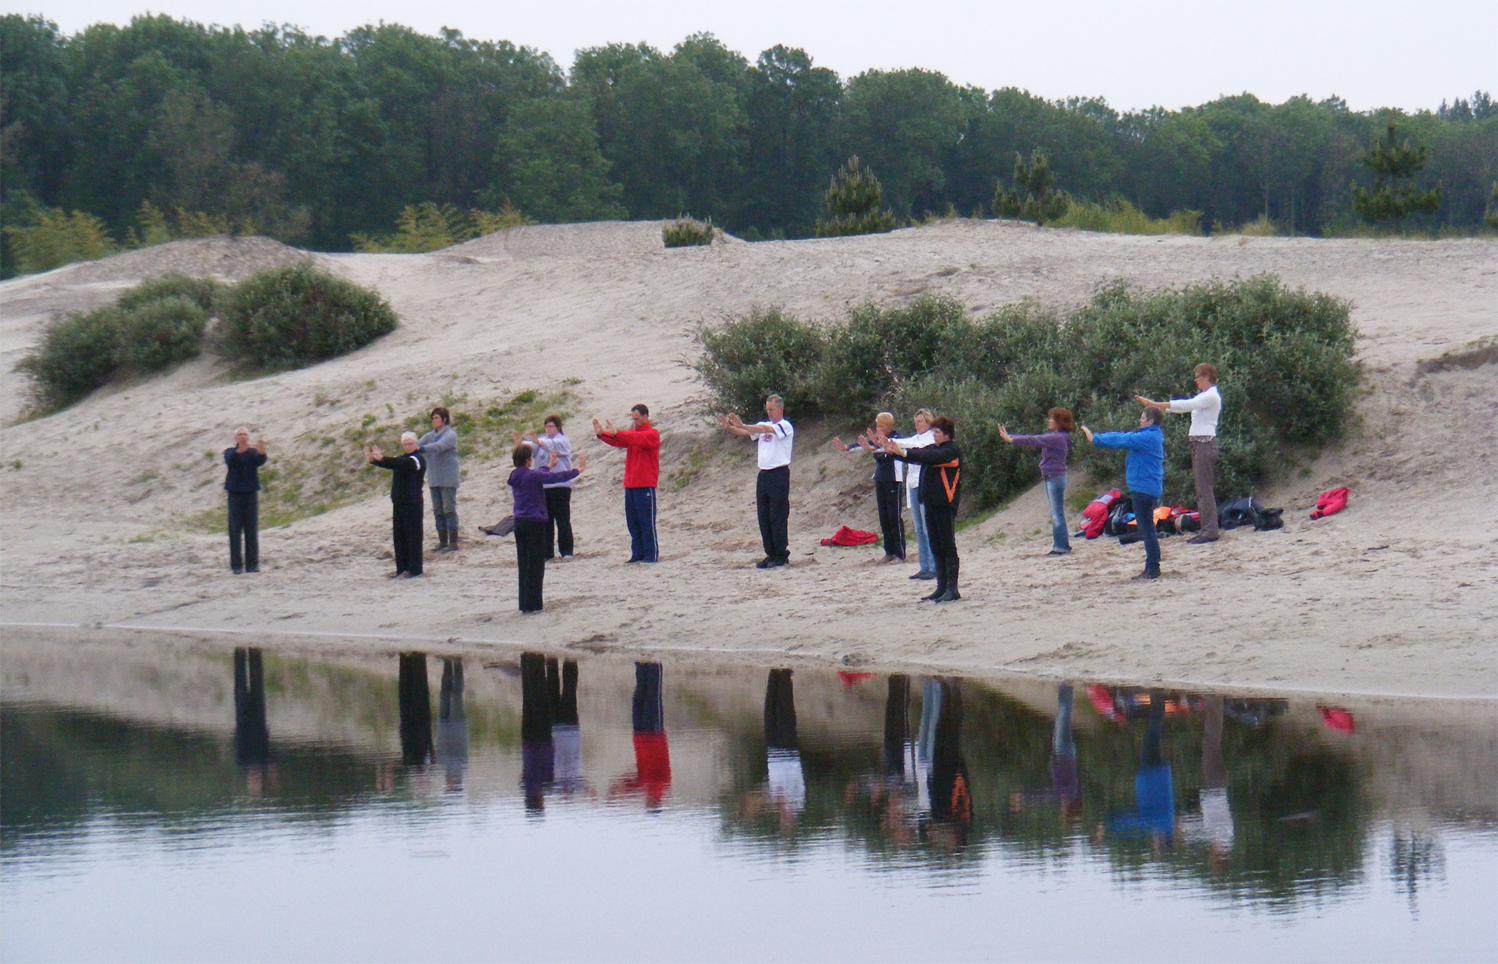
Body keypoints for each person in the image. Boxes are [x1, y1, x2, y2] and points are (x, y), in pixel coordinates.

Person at [1137, 363, 1223, 544]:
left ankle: (1210, 531)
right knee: (1201, 489)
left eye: (1198, 376)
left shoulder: (1211, 396)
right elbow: (1184, 407)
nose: (1195, 380)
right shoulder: (1205, 396)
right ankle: (1207, 529)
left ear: (1207, 377)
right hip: (1199, 444)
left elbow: (1186, 405)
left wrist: (1155, 405)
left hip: (1204, 444)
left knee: (1204, 489)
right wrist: (1159, 407)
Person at [881, 415, 962, 601]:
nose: (934, 435)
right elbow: (918, 454)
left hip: (945, 503)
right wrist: (895, 451)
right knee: (935, 545)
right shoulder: (934, 448)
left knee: (947, 545)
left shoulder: (951, 451)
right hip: (930, 503)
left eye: (937, 432)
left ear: (947, 434)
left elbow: (930, 457)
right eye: (933, 432)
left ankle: (952, 588)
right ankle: (941, 587)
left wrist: (903, 453)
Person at [1082, 408, 1165, 580]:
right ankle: (1152, 564)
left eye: (1142, 418)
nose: (1139, 421)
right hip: (1147, 488)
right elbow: (1123, 436)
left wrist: (1095, 439)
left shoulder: (1146, 438)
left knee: (1147, 530)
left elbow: (1121, 439)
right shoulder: (1151, 436)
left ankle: (1152, 568)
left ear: (1150, 421)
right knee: (1147, 528)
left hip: (1144, 489)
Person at [507, 442, 585, 613]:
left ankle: (524, 604)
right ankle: (534, 604)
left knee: (524, 562)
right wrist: (578, 470)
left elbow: (540, 473)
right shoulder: (532, 476)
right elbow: (556, 478)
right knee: (535, 564)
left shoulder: (515, 475)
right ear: (528, 460)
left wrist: (549, 465)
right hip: (534, 522)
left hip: (519, 522)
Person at [719, 394, 795, 569]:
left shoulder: (785, 426)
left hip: (779, 473)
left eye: (771, 409)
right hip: (764, 474)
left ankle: (781, 554)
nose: (769, 413)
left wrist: (744, 424)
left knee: (778, 515)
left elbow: (764, 430)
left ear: (780, 409)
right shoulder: (765, 425)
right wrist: (730, 428)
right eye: (767, 409)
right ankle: (770, 553)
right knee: (764, 516)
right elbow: (747, 432)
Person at [997, 408, 1075, 556]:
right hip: (1054, 477)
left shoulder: (1057, 438)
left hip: (1054, 477)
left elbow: (1034, 439)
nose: (1049, 421)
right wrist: (1010, 437)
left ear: (1059, 422)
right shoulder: (1062, 437)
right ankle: (1061, 545)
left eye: (1052, 419)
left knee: (1056, 514)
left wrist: (1011, 439)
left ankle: (1061, 547)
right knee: (1057, 513)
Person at [832, 411, 905, 562]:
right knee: (884, 517)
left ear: (890, 426)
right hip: (880, 479)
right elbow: (863, 446)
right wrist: (846, 448)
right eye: (878, 426)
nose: (880, 429)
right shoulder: (876, 440)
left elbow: (885, 450)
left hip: (894, 480)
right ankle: (889, 551)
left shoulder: (896, 439)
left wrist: (873, 447)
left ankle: (900, 552)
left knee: (894, 517)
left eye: (883, 426)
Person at [594, 405, 660, 563]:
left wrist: (616, 433)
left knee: (646, 522)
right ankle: (637, 554)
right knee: (633, 523)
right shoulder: (633, 434)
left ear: (645, 417)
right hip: (630, 484)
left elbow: (635, 439)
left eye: (637, 419)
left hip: (645, 484)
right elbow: (620, 441)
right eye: (633, 419)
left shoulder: (652, 434)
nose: (635, 422)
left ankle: (651, 555)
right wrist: (601, 434)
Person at [514, 415, 575, 560]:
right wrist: (521, 444)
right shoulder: (542, 442)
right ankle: (548, 552)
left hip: (561, 486)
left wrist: (538, 441)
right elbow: (532, 447)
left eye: (551, 426)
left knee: (562, 519)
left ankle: (566, 551)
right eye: (546, 427)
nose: (548, 429)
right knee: (546, 520)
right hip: (545, 486)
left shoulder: (562, 441)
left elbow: (552, 446)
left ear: (558, 427)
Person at [366, 433, 427, 578]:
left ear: (416, 444)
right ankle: (402, 569)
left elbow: (403, 464)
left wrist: (383, 459)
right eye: (404, 444)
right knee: (399, 537)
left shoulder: (417, 459)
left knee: (413, 537)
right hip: (399, 503)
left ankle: (415, 570)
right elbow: (392, 463)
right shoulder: (402, 458)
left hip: (413, 503)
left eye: (410, 443)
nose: (407, 446)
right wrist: (374, 461)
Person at [896, 410, 937, 580]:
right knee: (919, 528)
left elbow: (912, 448)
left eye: (920, 421)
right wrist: (880, 443)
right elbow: (902, 443)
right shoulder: (916, 438)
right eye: (915, 421)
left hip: (924, 484)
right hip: (912, 484)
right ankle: (924, 566)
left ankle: (934, 566)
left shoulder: (930, 439)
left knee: (928, 527)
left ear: (928, 422)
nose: (917, 424)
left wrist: (899, 447)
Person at [223, 427, 268, 574]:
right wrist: (241, 450)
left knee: (251, 530)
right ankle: (236, 566)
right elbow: (230, 461)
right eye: (240, 435)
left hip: (250, 493)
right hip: (235, 494)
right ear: (235, 438)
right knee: (235, 531)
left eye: (244, 435)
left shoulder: (252, 452)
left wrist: (262, 452)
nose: (243, 437)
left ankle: (252, 564)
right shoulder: (230, 451)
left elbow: (260, 461)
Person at [418, 407, 460, 552]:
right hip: (434, 478)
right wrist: (409, 444)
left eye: (437, 418)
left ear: (444, 419)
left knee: (449, 509)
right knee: (438, 511)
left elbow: (438, 446)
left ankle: (453, 542)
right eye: (433, 418)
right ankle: (442, 541)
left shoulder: (450, 435)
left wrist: (421, 449)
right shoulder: (429, 435)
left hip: (448, 478)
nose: (434, 421)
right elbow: (418, 443)